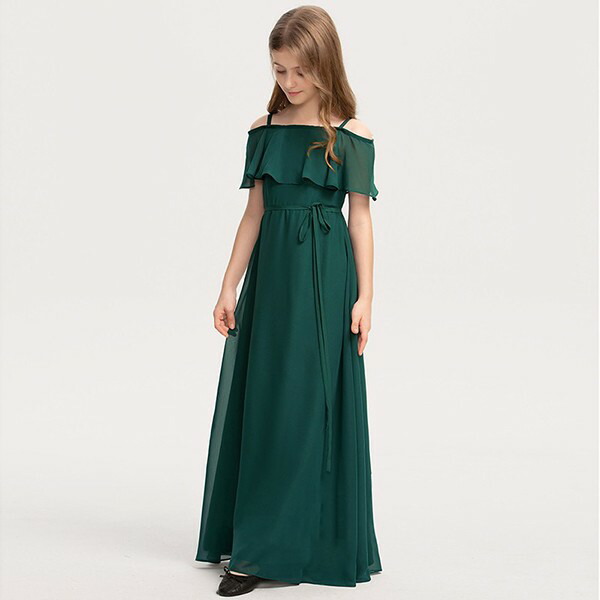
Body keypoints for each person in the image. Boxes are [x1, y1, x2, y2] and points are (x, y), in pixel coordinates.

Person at [194, 6, 383, 596]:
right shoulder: (264, 130)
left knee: (309, 404)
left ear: (326, 65)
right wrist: (228, 284)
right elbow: (253, 214)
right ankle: (255, 539)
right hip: (273, 281)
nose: (290, 82)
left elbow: (360, 219)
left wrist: (367, 297)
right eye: (280, 70)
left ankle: (293, 544)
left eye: (302, 70)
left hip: (326, 281)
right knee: (268, 401)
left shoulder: (352, 135)